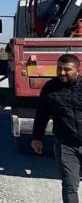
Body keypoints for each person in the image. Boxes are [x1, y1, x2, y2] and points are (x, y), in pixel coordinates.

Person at [32, 53, 82, 203]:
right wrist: (37, 138)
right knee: (69, 185)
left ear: (77, 71)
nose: (61, 73)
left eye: (67, 69)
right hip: (65, 145)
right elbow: (42, 114)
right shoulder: (50, 88)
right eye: (59, 68)